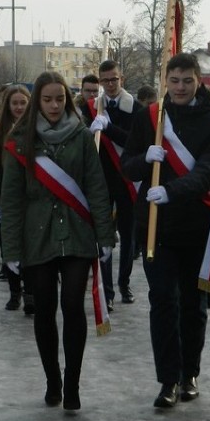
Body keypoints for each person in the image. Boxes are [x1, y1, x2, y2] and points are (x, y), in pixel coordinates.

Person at [121, 53, 210, 408]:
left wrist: (172, 190)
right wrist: (145, 159)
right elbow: (129, 167)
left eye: (187, 80)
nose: (181, 87)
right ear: (165, 82)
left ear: (199, 81)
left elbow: (208, 172)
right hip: (155, 226)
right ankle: (167, 379)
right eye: (175, 80)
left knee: (193, 303)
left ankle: (190, 373)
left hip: (196, 224)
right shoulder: (149, 120)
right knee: (163, 301)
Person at [0, 71, 115, 411]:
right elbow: (12, 199)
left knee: (72, 307)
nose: (53, 105)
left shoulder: (80, 136)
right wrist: (12, 248)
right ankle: (52, 380)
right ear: (38, 101)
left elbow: (96, 186)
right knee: (45, 309)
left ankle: (73, 383)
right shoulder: (20, 139)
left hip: (77, 233)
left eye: (60, 99)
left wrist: (105, 234)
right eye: (47, 99)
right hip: (37, 235)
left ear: (68, 99)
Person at [83, 59, 143, 309]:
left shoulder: (136, 108)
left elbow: (135, 142)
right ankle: (106, 289)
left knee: (129, 234)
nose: (109, 84)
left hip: (127, 178)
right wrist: (89, 132)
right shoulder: (90, 108)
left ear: (122, 79)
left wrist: (109, 128)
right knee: (103, 234)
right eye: (105, 80)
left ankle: (124, 282)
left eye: (114, 79)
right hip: (101, 179)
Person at [0, 84, 33, 313]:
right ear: (8, 106)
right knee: (10, 247)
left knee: (33, 247)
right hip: (7, 198)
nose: (18, 107)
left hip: (32, 198)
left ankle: (30, 292)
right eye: (14, 103)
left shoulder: (38, 130)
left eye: (23, 103)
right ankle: (15, 293)